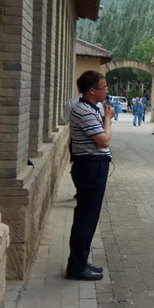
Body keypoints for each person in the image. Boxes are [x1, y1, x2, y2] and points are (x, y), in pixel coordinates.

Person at [65, 71, 114, 281]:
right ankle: (76, 266)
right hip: (90, 167)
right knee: (86, 218)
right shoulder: (83, 110)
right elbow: (103, 141)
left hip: (94, 166)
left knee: (88, 217)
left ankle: (81, 261)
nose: (106, 91)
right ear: (92, 90)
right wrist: (108, 120)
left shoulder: (90, 108)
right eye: (103, 88)